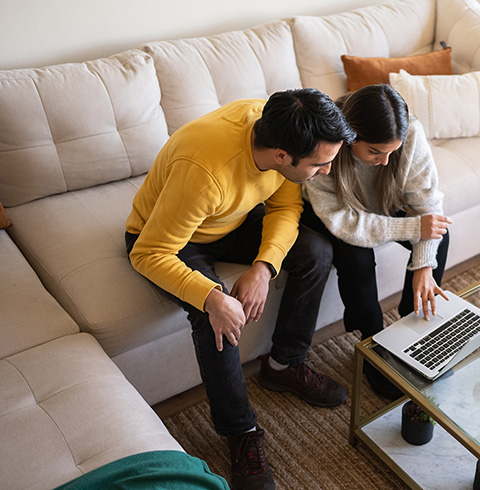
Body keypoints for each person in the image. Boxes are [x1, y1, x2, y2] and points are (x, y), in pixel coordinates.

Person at [125, 89, 356, 490]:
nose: (327, 172)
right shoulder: (204, 170)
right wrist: (213, 297)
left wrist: (264, 267)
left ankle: (283, 364)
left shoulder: (275, 127)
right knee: (214, 312)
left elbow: (286, 208)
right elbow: (147, 252)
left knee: (316, 251)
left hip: (228, 220)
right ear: (283, 156)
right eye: (321, 165)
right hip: (168, 239)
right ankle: (241, 432)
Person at [303, 84, 451, 399]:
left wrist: (423, 264)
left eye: (391, 152)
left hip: (383, 201)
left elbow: (429, 209)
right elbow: (344, 222)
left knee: (441, 235)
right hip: (337, 213)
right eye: (375, 152)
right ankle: (371, 339)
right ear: (351, 134)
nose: (385, 162)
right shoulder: (325, 145)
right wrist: (412, 228)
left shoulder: (409, 133)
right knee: (356, 256)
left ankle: (413, 324)